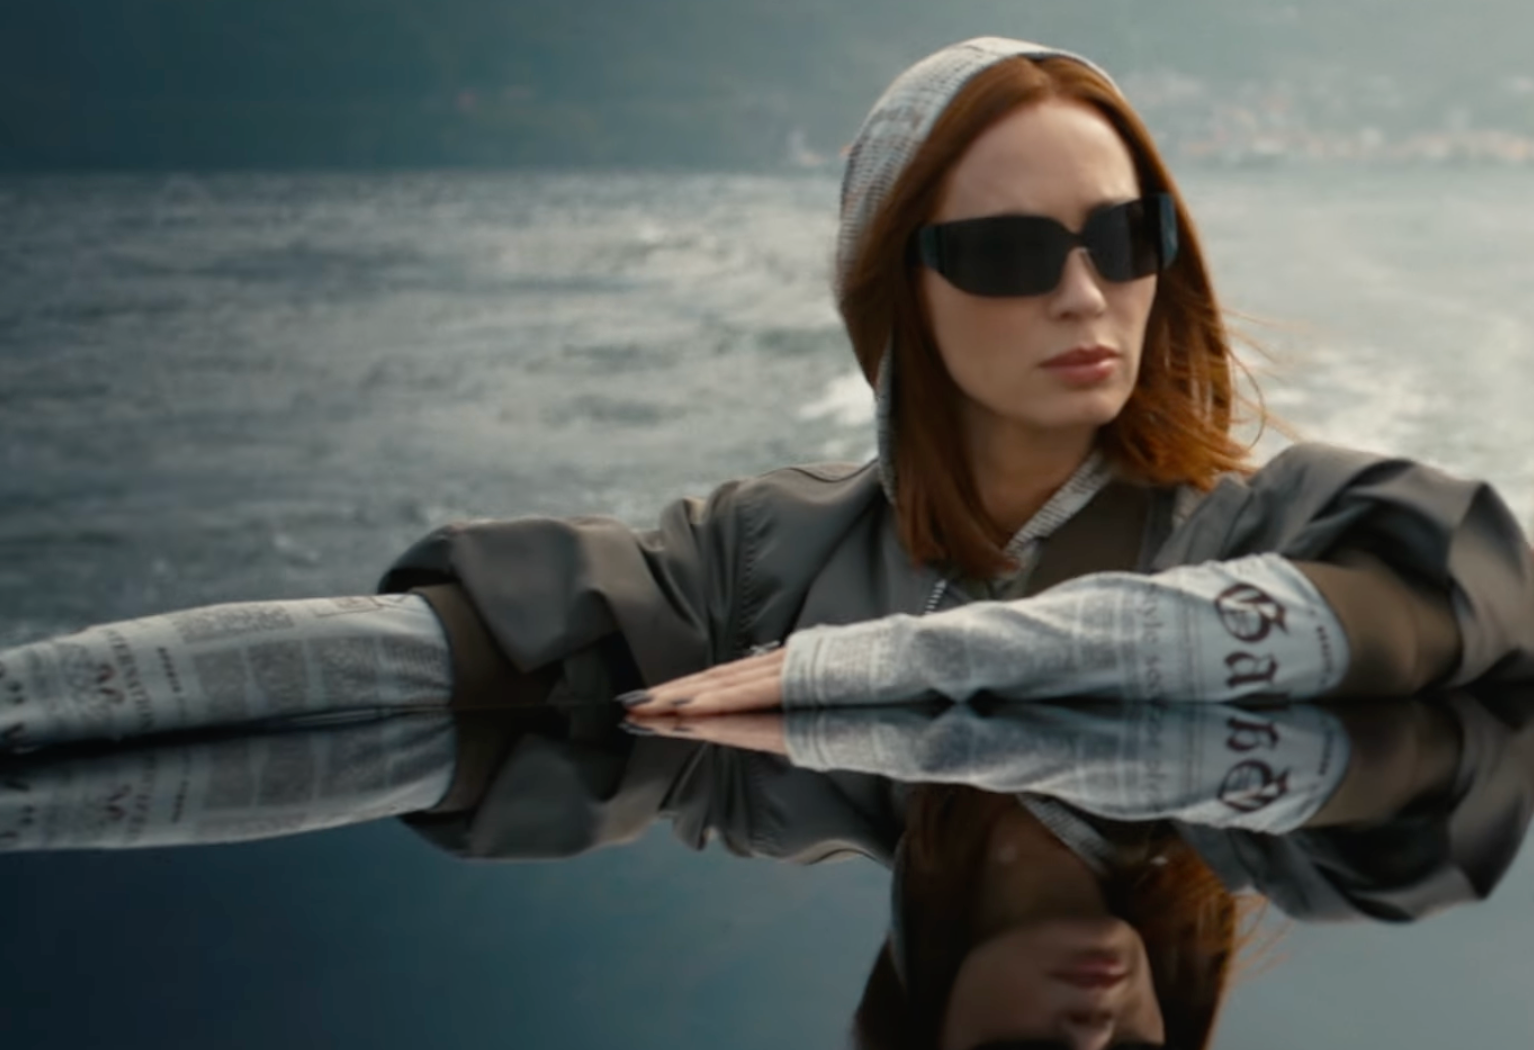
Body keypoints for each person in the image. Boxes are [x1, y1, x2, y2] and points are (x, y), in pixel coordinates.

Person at [3, 33, 1534, 1049]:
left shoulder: (1266, 517)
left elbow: (1448, 596)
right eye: (1010, 251)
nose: (1086, 295)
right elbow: (411, 653)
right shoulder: (759, 556)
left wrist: (872, 669)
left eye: (1124, 237)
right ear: (898, 303)